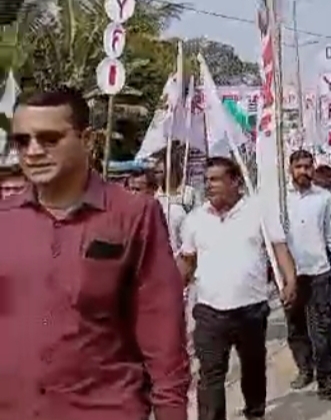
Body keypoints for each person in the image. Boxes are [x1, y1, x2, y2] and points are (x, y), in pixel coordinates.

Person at [0, 87, 190, 420]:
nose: (33, 151)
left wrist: (171, 411)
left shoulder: (134, 216)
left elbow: (163, 333)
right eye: (22, 141)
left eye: (49, 139)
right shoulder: (6, 219)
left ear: (87, 140)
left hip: (104, 409)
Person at [179, 156, 298, 420]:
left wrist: (290, 280)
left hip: (251, 309)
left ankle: (255, 413)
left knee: (253, 368)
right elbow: (187, 261)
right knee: (210, 375)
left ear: (235, 181)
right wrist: (170, 293)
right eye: (206, 180)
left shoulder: (259, 211)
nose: (208, 185)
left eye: (215, 179)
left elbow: (279, 247)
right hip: (209, 311)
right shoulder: (195, 219)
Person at [284, 150, 331, 398]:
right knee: (295, 327)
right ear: (290, 169)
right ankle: (304, 369)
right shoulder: (280, 198)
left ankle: (325, 378)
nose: (303, 171)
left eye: (307, 166)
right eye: (298, 166)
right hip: (290, 274)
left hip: (319, 270)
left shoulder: (324, 198)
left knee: (321, 328)